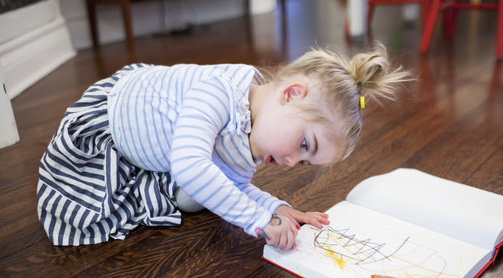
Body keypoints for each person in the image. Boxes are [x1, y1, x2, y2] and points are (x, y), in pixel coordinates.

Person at [37, 42, 409, 249]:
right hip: (115, 124)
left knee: (203, 192)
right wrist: (259, 220)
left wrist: (280, 207)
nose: (293, 161)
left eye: (304, 163)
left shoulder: (260, 137)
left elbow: (237, 186)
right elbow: (189, 165)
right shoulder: (220, 91)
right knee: (193, 176)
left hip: (169, 151)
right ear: (292, 93)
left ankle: (163, 179)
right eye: (303, 144)